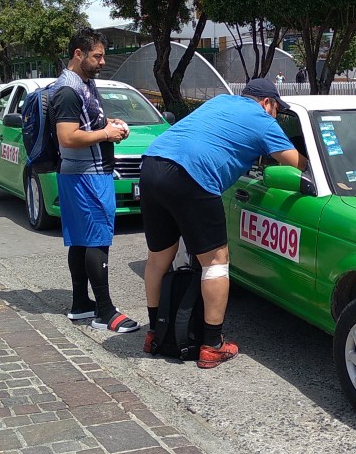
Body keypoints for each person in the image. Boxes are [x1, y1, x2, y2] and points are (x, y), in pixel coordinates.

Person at [139, 78, 307, 368]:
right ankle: (212, 345)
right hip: (192, 175)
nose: (276, 115)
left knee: (158, 259)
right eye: (277, 109)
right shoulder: (262, 119)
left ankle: (156, 333)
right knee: (216, 261)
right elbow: (298, 163)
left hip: (152, 165)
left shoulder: (220, 102)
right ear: (267, 102)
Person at [51, 27, 140, 333]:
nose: (103, 62)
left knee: (80, 240)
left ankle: (80, 305)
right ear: (79, 54)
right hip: (87, 176)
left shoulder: (82, 84)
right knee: (97, 241)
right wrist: (106, 134)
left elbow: (86, 123)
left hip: (81, 175)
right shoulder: (67, 90)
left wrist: (110, 124)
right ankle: (105, 312)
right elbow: (67, 136)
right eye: (97, 56)